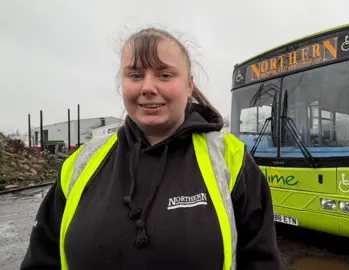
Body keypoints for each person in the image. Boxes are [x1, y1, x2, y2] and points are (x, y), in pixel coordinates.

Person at [20, 27, 281, 270]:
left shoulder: (230, 159)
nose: (147, 87)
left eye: (164, 75)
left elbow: (261, 262)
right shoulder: (82, 163)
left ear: (189, 85)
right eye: (135, 75)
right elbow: (43, 259)